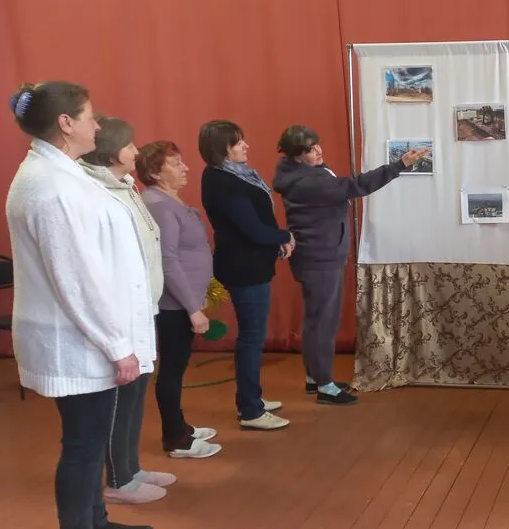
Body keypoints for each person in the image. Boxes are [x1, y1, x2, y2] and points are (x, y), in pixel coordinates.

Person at [5, 81, 153, 529]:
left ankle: (96, 522)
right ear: (66, 123)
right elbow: (76, 280)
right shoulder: (52, 187)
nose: (98, 126)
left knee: (89, 440)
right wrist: (117, 345)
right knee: (83, 446)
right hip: (76, 337)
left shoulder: (61, 174)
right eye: (91, 116)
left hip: (83, 334)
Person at [271, 125, 428, 405]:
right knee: (323, 322)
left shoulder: (301, 172)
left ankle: (315, 377)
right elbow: (356, 185)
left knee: (317, 319)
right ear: (296, 156)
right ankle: (324, 386)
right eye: (310, 150)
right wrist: (399, 165)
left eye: (317, 144)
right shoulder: (309, 182)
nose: (318, 151)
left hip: (318, 255)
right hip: (320, 257)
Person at [78, 116, 176, 504]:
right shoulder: (98, 192)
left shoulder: (125, 186)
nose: (136, 151)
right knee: (122, 397)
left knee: (137, 394)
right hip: (120, 311)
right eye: (130, 145)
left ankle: (131, 467)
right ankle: (118, 479)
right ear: (112, 152)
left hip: (141, 306)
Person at [199, 120, 292, 430]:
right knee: (252, 339)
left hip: (251, 265)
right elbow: (253, 230)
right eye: (238, 143)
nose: (246, 146)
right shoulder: (224, 182)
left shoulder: (231, 176)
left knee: (252, 337)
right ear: (223, 149)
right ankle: (251, 410)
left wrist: (278, 238)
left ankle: (252, 398)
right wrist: (285, 236)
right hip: (244, 269)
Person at [138, 140, 222, 458]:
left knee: (177, 367)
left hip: (185, 301)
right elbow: (168, 260)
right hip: (174, 305)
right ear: (155, 173)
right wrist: (192, 308)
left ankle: (180, 427)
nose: (185, 167)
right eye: (175, 164)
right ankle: (176, 439)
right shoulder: (158, 204)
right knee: (172, 370)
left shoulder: (168, 199)